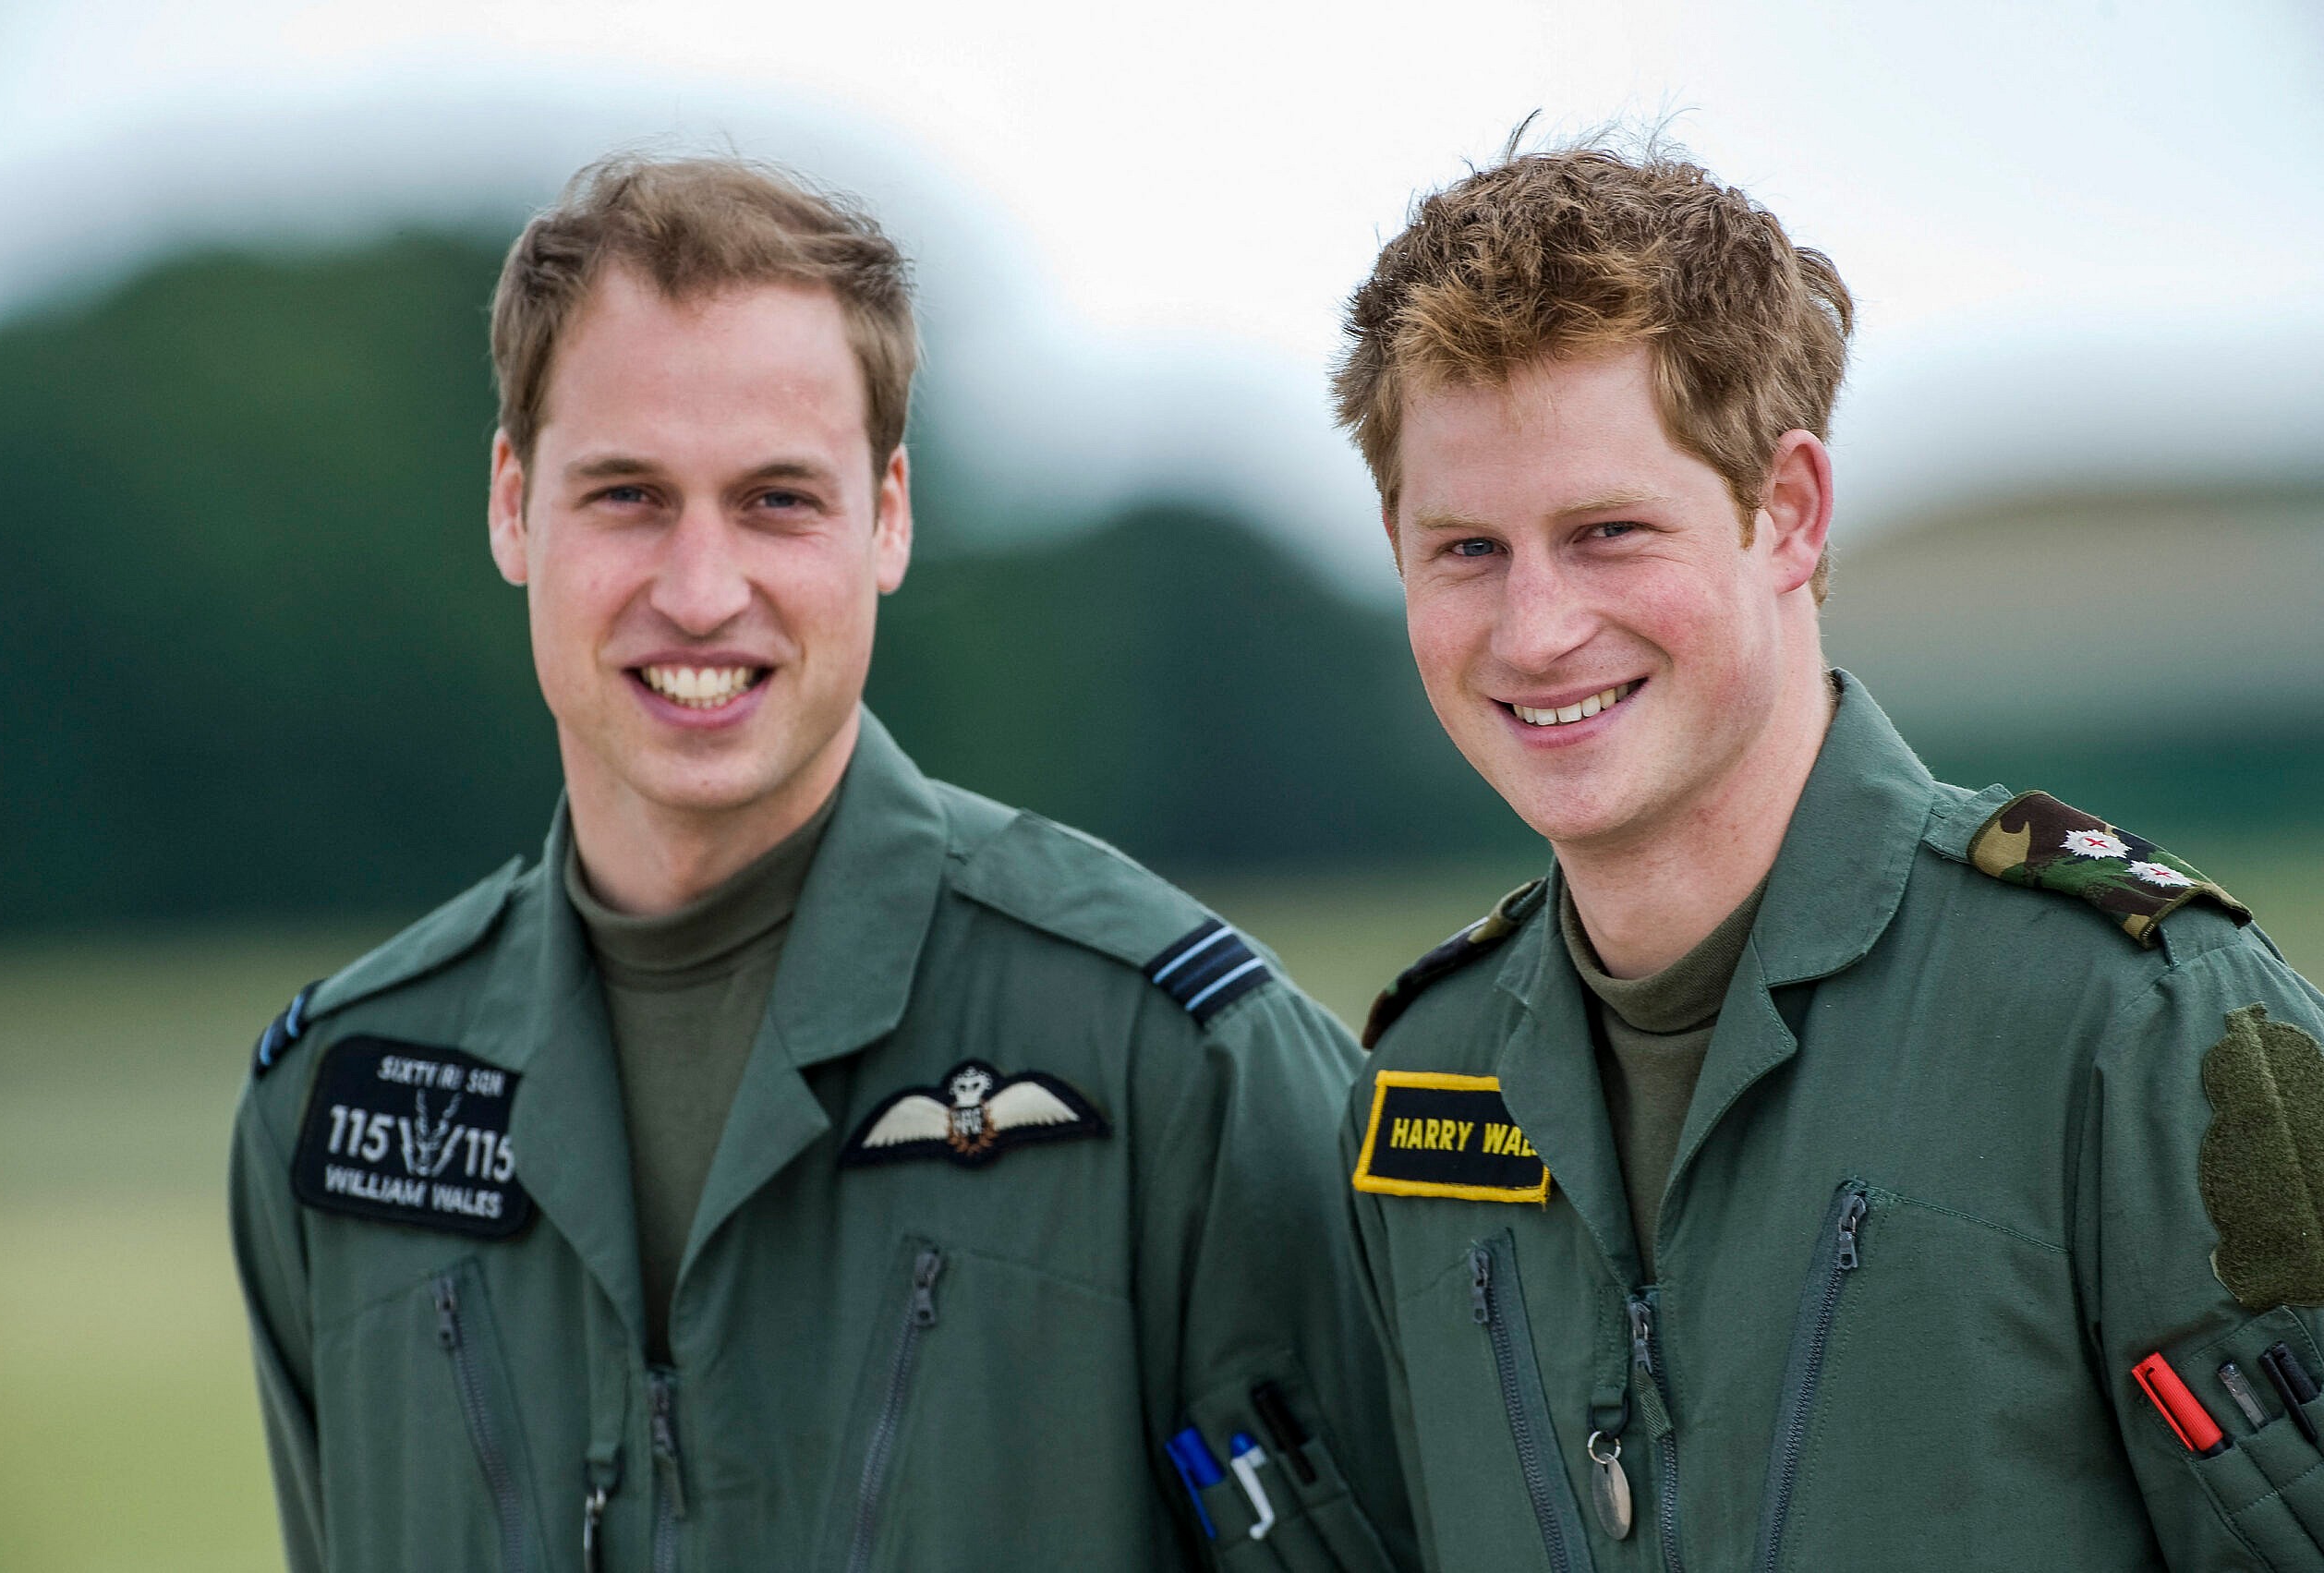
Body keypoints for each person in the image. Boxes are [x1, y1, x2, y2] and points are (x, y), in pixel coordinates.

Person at [227, 152, 1410, 1573]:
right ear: (510, 502)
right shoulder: (335, 1108)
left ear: (889, 515)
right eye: (628, 495)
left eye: (777, 499)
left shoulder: (1179, 1064)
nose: (700, 591)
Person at [1329, 139, 2324, 1572]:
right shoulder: (1421, 1081)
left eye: (1609, 532)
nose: (1536, 630)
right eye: (1468, 549)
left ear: (1787, 510)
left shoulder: (2132, 1023)